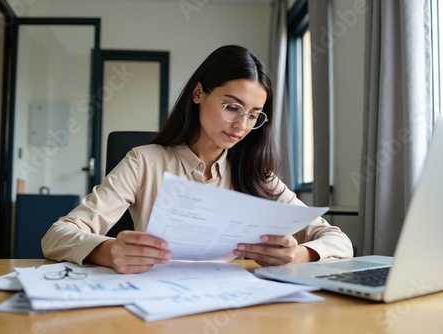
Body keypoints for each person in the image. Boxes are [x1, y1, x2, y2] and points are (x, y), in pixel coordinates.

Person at [42, 45, 353, 274]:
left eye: (254, 116)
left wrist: (295, 256)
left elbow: (338, 240)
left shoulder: (257, 176)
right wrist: (108, 251)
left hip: (233, 304)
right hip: (154, 296)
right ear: (198, 94)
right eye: (232, 107)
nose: (241, 126)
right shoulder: (144, 162)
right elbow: (56, 236)